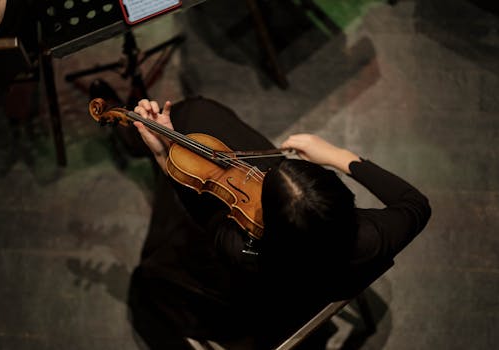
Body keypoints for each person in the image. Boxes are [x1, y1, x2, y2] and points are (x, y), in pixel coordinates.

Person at [126, 96, 431, 349]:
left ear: (265, 220)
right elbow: (416, 204)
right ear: (344, 201)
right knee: (206, 116)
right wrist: (338, 155)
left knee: (197, 111)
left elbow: (199, 207)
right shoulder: (373, 238)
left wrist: (164, 154)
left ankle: (129, 137)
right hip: (311, 290)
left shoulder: (240, 250)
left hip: (256, 304)